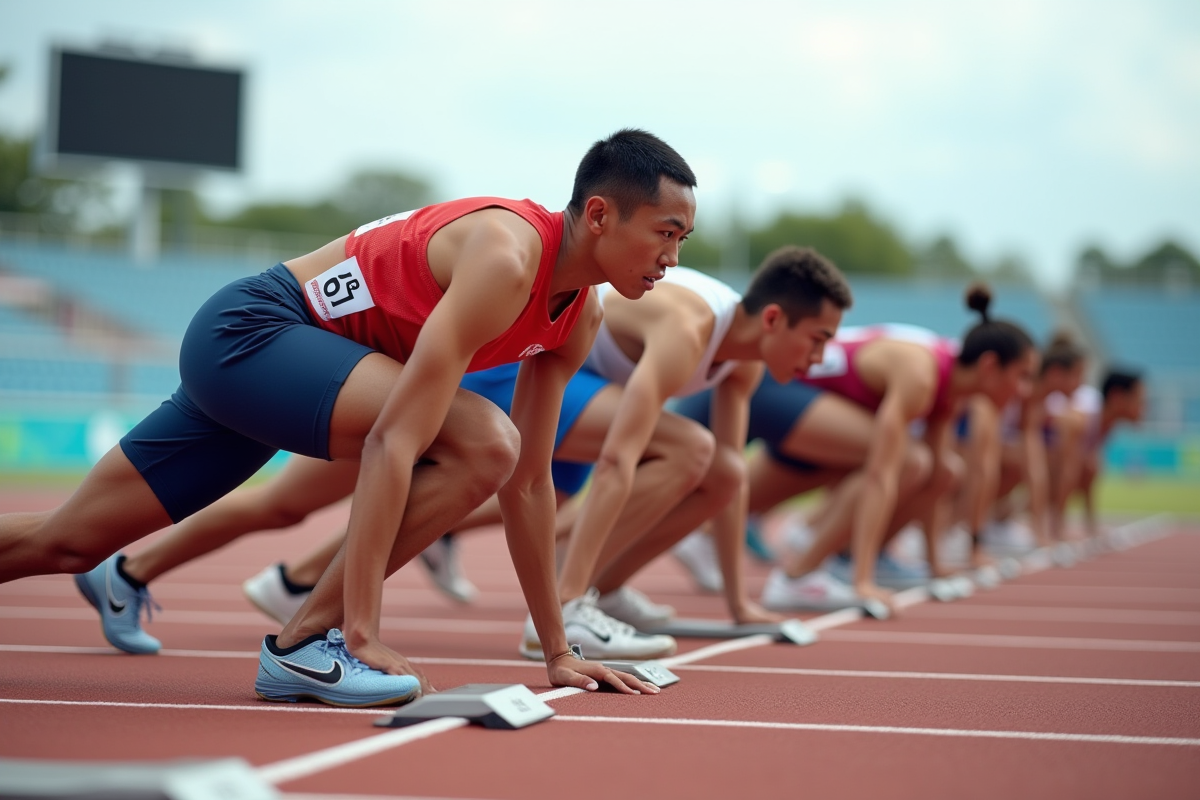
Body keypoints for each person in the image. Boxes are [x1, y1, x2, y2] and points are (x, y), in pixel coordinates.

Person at [0, 128, 695, 706]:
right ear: (600, 215)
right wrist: (362, 630)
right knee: (482, 440)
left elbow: (532, 485)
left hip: (292, 365)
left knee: (68, 543)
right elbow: (398, 436)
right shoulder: (507, 256)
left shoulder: (579, 316)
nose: (672, 259)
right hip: (255, 331)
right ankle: (309, 643)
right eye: (665, 233)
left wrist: (558, 651)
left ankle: (308, 638)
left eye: (684, 240)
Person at [517, 245, 853, 657]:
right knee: (690, 447)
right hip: (530, 368)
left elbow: (731, 482)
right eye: (816, 341)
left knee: (724, 471)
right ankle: (562, 606)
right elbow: (616, 461)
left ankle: (603, 590)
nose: (817, 360)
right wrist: (564, 602)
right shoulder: (687, 330)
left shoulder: (744, 361)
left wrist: (740, 604)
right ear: (773, 319)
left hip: (587, 385)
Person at [756, 285, 1037, 613]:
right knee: (908, 461)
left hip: (810, 401)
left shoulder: (949, 393)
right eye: (1022, 376)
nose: (1025, 391)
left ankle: (854, 556)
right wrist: (863, 581)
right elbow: (881, 473)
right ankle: (799, 576)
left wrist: (936, 565)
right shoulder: (921, 377)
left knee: (944, 469)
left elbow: (937, 481)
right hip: (778, 386)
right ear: (990, 366)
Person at [1046, 367, 1145, 542]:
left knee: (1090, 464)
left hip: (1050, 462)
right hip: (1041, 456)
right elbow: (1066, 466)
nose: (1143, 407)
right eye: (1139, 400)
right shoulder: (1085, 414)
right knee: (1079, 463)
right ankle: (1054, 525)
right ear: (1117, 396)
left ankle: (1085, 525)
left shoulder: (1108, 422)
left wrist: (1091, 525)